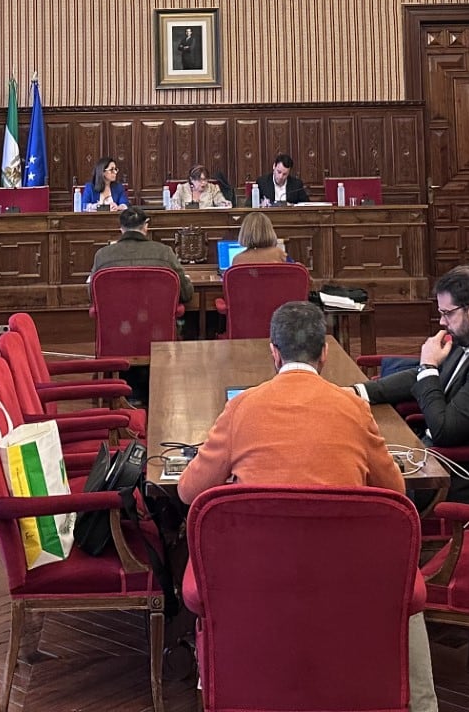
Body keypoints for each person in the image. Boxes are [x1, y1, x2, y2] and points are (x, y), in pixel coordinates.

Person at [176, 300, 439, 712]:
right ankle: (421, 704)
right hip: (346, 574)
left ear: (274, 352)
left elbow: (189, 492)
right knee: (401, 573)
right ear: (325, 354)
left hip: (257, 575)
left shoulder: (241, 407)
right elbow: (396, 493)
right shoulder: (354, 408)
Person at [357, 265, 469, 505]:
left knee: (354, 482)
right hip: (431, 456)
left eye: (447, 313)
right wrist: (358, 392)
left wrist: (428, 366)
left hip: (456, 477)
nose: (442, 322)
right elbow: (423, 377)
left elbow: (445, 431)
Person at [89, 206, 192, 304]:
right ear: (146, 226)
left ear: (121, 229)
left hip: (115, 315)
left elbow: (92, 295)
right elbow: (185, 293)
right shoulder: (164, 252)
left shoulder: (102, 255)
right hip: (156, 315)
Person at [229, 209, 295, 270]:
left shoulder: (237, 260)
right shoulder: (280, 254)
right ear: (269, 231)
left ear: (243, 233)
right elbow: (295, 272)